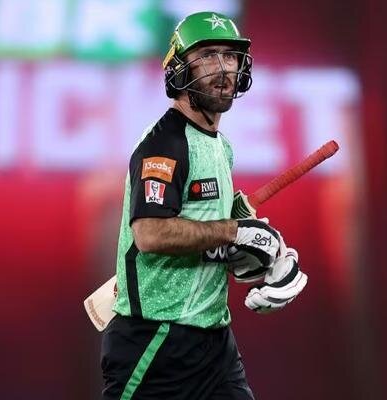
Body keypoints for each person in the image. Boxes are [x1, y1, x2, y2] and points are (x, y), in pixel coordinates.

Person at [100, 11, 307, 400]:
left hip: (214, 341)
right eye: (208, 55)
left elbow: (213, 234)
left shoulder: (221, 147)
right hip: (158, 341)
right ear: (180, 68)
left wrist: (259, 249)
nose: (223, 68)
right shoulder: (165, 143)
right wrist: (234, 232)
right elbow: (150, 233)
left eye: (230, 56)